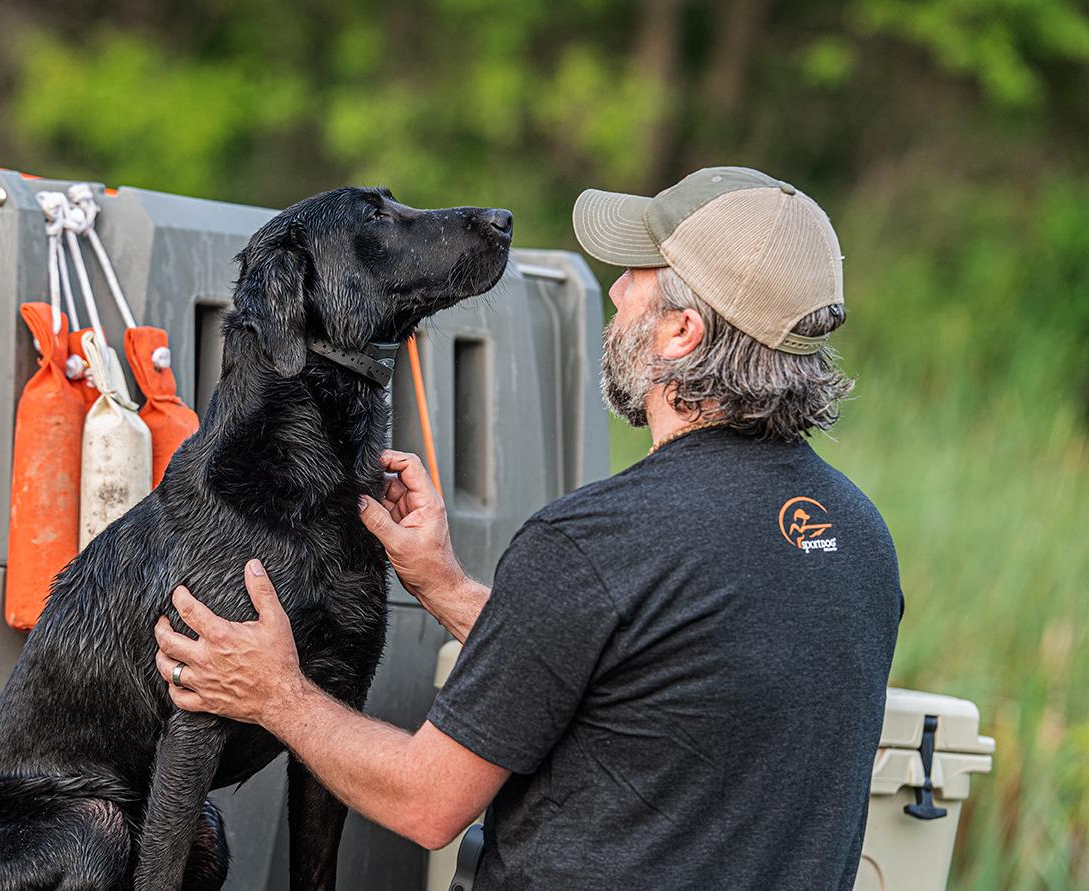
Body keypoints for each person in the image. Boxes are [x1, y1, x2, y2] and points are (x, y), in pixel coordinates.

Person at [153, 166, 903, 889]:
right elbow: (638, 682)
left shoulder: (597, 541)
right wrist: (445, 586)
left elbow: (426, 801)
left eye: (637, 273)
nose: (614, 289)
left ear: (680, 332)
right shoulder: (862, 540)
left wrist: (276, 693)